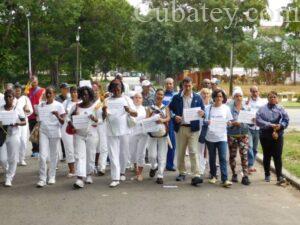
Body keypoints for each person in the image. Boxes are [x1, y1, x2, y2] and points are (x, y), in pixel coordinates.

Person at [169, 77, 205, 186]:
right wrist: (174, 116)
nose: (188, 88)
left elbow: (203, 111)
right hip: (181, 128)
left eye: (189, 85)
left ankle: (196, 175)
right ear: (182, 86)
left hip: (193, 129)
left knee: (193, 151)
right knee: (180, 151)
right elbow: (169, 109)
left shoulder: (198, 98)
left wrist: (202, 113)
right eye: (185, 86)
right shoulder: (176, 98)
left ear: (192, 85)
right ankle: (182, 172)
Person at [102, 79, 137, 188]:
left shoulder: (127, 99)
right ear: (111, 89)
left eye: (118, 86)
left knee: (123, 153)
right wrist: (103, 111)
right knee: (113, 154)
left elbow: (135, 114)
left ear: (122, 88)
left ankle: (122, 172)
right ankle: (115, 178)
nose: (117, 89)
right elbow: (102, 118)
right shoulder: (106, 100)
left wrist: (129, 111)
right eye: (114, 87)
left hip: (124, 131)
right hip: (111, 131)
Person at [69, 86, 100, 189]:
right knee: (79, 156)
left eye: (86, 94)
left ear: (90, 95)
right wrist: (72, 120)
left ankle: (89, 174)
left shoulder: (95, 107)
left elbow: (101, 121)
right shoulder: (76, 106)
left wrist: (95, 119)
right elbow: (67, 119)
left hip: (92, 133)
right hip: (79, 134)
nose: (84, 96)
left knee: (90, 155)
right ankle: (80, 178)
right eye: (82, 94)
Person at [256, 91, 289, 185]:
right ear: (267, 98)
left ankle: (279, 176)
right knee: (267, 155)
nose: (272, 98)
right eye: (270, 97)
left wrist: (281, 125)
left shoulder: (281, 108)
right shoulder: (262, 109)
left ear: (277, 98)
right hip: (265, 135)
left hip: (277, 135)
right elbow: (258, 121)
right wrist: (270, 125)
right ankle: (267, 174)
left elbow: (286, 119)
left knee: (277, 156)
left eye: (274, 97)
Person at [36, 87, 65, 187]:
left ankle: (52, 176)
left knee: (53, 155)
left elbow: (63, 121)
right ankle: (42, 178)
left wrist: (57, 115)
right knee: (42, 156)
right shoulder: (41, 105)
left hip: (54, 132)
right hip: (43, 131)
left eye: (50, 93)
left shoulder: (59, 105)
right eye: (47, 93)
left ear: (54, 94)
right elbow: (39, 119)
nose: (48, 95)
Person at [205, 89, 233, 188]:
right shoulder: (208, 108)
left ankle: (225, 179)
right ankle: (213, 176)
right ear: (214, 97)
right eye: (217, 96)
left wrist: (229, 123)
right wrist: (207, 122)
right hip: (210, 137)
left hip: (222, 137)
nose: (219, 98)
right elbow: (204, 121)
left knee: (222, 158)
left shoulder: (226, 108)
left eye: (221, 96)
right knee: (212, 158)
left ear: (223, 98)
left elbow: (229, 121)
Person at [0, 89, 26, 187]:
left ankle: (9, 178)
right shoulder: (1, 109)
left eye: (10, 96)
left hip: (13, 135)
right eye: (6, 96)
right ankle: (8, 171)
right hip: (2, 136)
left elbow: (24, 122)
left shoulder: (17, 109)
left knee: (13, 158)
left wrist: (17, 123)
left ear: (13, 98)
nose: (8, 98)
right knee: (2, 159)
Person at [227, 88, 251, 185]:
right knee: (232, 156)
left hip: (243, 134)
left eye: (240, 96)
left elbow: (249, 121)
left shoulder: (246, 108)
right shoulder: (228, 108)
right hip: (232, 135)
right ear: (233, 97)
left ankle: (245, 176)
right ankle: (234, 174)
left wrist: (251, 120)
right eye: (236, 96)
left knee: (244, 155)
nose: (238, 98)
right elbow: (226, 122)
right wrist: (233, 123)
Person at [147, 89, 171, 184]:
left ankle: (160, 175)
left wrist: (162, 120)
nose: (159, 96)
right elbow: (146, 118)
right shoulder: (150, 108)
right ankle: (153, 166)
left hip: (163, 133)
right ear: (155, 95)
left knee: (162, 155)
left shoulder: (166, 107)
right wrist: (152, 119)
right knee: (152, 155)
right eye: (158, 94)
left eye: (161, 94)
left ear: (163, 96)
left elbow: (168, 117)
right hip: (152, 133)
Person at [129, 92, 149, 181]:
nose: (137, 99)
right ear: (133, 99)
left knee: (141, 153)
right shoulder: (130, 109)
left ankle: (139, 173)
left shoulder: (145, 109)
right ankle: (135, 165)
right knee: (132, 153)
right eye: (136, 97)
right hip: (132, 133)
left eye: (139, 97)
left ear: (142, 99)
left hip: (143, 134)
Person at [246, 86, 266, 173]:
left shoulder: (262, 102)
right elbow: (244, 113)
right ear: (250, 92)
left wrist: (258, 120)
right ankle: (250, 165)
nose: (254, 93)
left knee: (255, 148)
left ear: (258, 92)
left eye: (256, 91)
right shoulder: (247, 102)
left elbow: (264, 115)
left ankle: (251, 164)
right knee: (249, 146)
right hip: (249, 127)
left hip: (258, 128)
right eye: (253, 91)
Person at [61, 86, 80, 177]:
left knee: (78, 149)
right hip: (67, 127)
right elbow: (63, 115)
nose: (74, 94)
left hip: (78, 128)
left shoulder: (81, 102)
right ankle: (72, 170)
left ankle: (79, 168)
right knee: (69, 149)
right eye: (72, 92)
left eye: (75, 92)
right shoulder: (65, 102)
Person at [14, 83, 33, 166]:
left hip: (24, 122)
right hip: (14, 123)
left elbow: (31, 110)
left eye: (19, 89)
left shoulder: (25, 98)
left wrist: (27, 109)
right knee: (15, 141)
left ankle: (22, 158)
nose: (17, 91)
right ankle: (15, 158)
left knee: (23, 141)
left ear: (21, 90)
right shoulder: (11, 98)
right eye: (16, 89)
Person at [92, 82, 108, 176]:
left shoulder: (103, 101)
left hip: (101, 126)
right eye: (93, 89)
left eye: (96, 89)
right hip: (91, 128)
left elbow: (105, 116)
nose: (94, 91)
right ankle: (92, 166)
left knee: (103, 147)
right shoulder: (87, 101)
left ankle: (102, 167)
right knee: (93, 148)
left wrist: (97, 120)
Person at [27, 76, 45, 158]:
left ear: (37, 82)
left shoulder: (42, 90)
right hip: (31, 116)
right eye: (32, 82)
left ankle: (41, 150)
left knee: (40, 134)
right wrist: (28, 84)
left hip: (40, 116)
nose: (33, 84)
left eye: (34, 82)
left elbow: (44, 101)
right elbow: (24, 97)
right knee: (32, 134)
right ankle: (34, 150)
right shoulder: (28, 91)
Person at [163, 78, 177, 171]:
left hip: (172, 122)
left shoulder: (176, 95)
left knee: (171, 143)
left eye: (170, 84)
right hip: (162, 121)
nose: (169, 85)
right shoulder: (161, 94)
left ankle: (169, 164)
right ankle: (159, 164)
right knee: (160, 143)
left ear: (173, 84)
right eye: (167, 84)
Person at [198, 88, 211, 175]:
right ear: (200, 95)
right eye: (203, 93)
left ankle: (212, 170)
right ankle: (201, 169)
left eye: (207, 93)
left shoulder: (212, 106)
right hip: (200, 129)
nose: (205, 95)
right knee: (201, 150)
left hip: (210, 130)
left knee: (211, 151)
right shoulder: (197, 106)